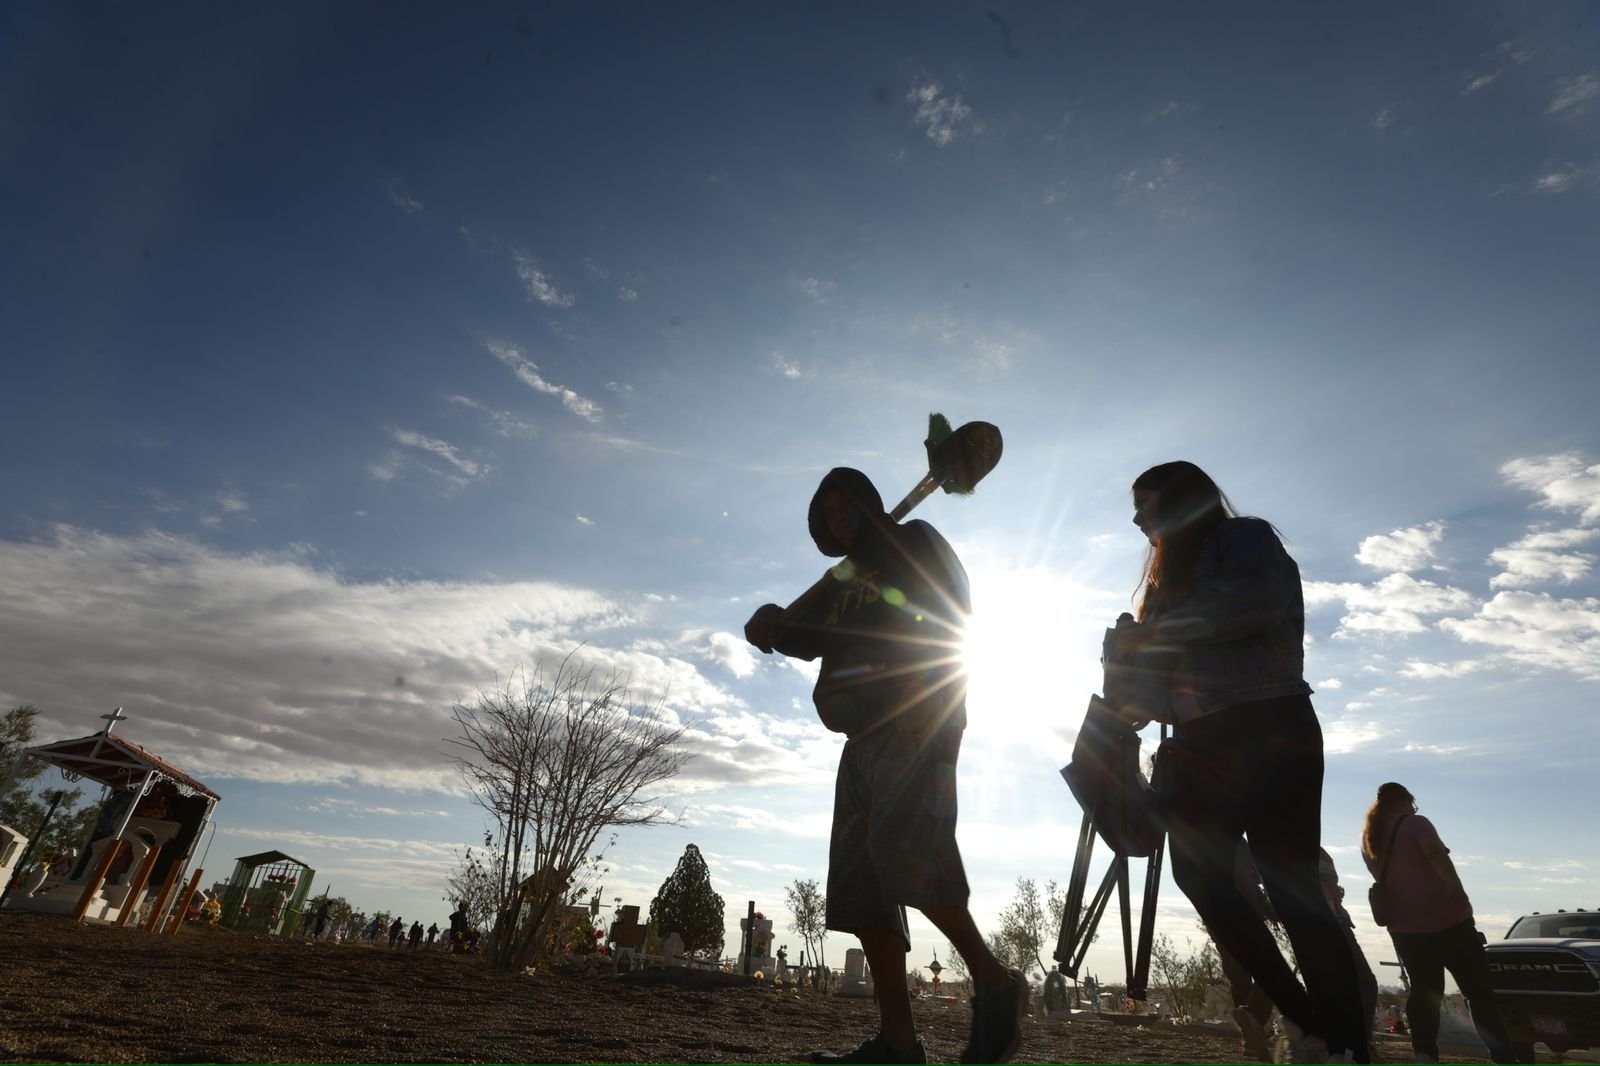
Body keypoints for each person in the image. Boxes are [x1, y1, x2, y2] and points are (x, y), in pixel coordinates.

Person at [744, 467, 1026, 1066]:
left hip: (917, 719)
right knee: (862, 886)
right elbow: (799, 635)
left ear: (869, 504)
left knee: (907, 852)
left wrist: (936, 697)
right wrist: (769, 621)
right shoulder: (839, 580)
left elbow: (956, 616)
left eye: (848, 504)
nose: (840, 516)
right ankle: (898, 1044)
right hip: (860, 738)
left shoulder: (914, 541)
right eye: (829, 511)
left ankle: (996, 983)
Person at [1109, 461, 1369, 1063]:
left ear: (1180, 501)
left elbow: (1254, 605)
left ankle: (1344, 1046)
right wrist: (1120, 664)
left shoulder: (1245, 538)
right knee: (1197, 875)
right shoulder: (1163, 583)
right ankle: (1308, 1021)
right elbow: (1147, 700)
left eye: (1145, 505)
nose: (1137, 519)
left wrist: (1155, 635)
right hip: (1200, 741)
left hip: (1268, 724)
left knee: (1292, 889)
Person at [1360, 783, 1516, 1064]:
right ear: (1405, 801)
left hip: (1406, 931)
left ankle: (1425, 1055)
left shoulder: (1369, 838)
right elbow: (1435, 854)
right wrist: (1455, 886)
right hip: (1448, 922)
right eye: (1412, 804)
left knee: (1424, 992)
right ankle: (1503, 1057)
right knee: (1479, 993)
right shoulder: (1416, 824)